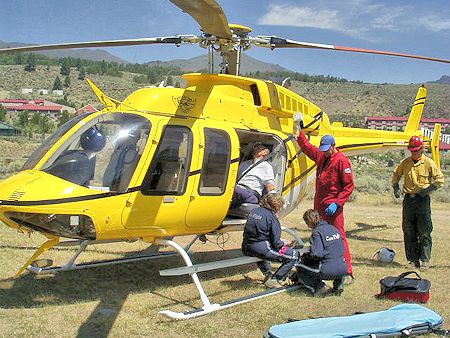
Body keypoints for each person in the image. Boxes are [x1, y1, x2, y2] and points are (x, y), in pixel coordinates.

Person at [294, 116, 355, 277]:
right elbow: (307, 147)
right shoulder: (322, 156)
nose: (325, 151)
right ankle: (319, 264)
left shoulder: (342, 161)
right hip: (319, 204)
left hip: (333, 206)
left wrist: (337, 203)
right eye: (323, 149)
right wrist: (299, 130)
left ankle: (346, 270)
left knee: (338, 235)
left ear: (333, 146)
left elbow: (349, 186)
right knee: (318, 235)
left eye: (327, 148)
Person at [392, 136, 444, 270]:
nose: (413, 153)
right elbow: (396, 175)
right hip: (409, 200)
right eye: (411, 150)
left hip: (422, 201)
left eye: (416, 150)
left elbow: (439, 180)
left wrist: (428, 190)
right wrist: (395, 187)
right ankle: (412, 261)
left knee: (424, 231)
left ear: (422, 149)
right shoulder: (405, 163)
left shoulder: (429, 163)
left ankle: (425, 260)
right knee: (409, 231)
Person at [242, 193, 299, 288]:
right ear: (277, 206)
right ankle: (275, 279)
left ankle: (268, 274)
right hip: (260, 248)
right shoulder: (272, 218)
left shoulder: (254, 211)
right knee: (294, 256)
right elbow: (276, 244)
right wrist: (285, 243)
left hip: (246, 247)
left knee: (263, 250)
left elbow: (261, 233)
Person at [295, 209, 347, 297]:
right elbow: (339, 248)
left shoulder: (317, 232)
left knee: (300, 267)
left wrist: (307, 256)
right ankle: (338, 285)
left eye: (307, 224)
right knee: (336, 260)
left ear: (309, 221)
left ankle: (319, 288)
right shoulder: (333, 228)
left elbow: (317, 254)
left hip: (328, 270)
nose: (308, 227)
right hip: (343, 268)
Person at [231, 143, 275, 207]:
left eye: (259, 148)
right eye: (255, 147)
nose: (255, 148)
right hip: (239, 189)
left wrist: (273, 198)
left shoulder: (266, 166)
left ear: (265, 152)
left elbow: (269, 184)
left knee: (235, 189)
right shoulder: (244, 164)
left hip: (252, 193)